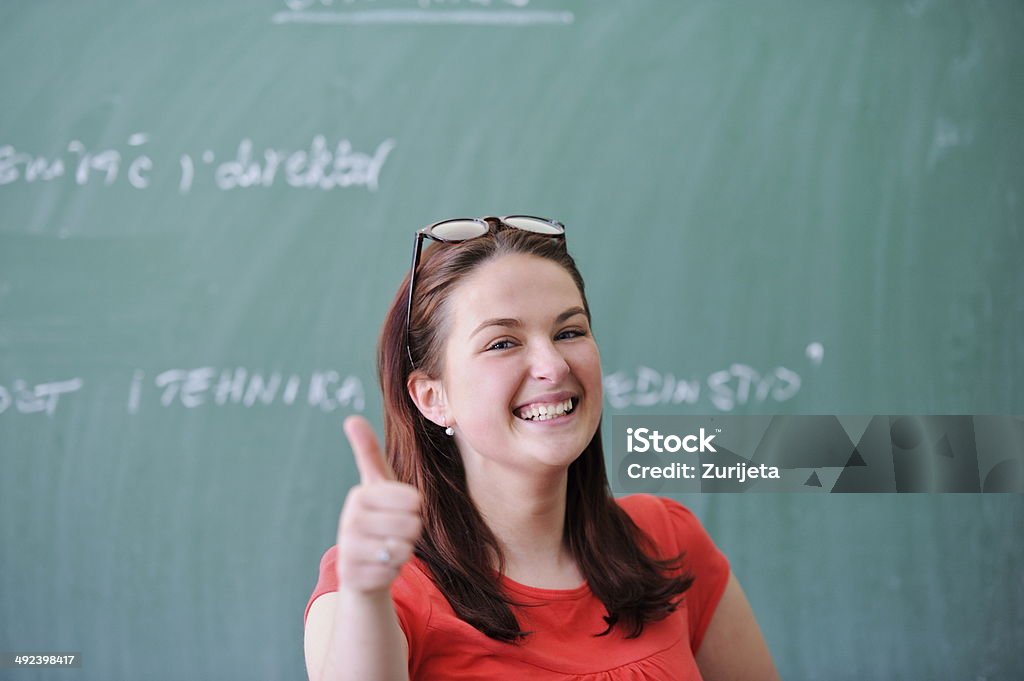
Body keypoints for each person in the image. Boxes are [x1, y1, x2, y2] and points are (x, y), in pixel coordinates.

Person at [304, 216, 779, 681]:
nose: (552, 365)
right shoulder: (377, 592)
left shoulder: (667, 540)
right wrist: (366, 598)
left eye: (569, 332)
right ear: (433, 398)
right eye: (502, 343)